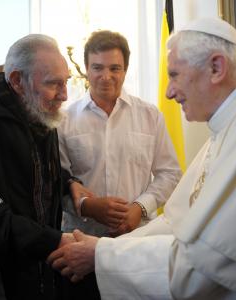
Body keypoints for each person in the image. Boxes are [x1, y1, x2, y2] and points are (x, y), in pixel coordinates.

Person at [48, 18, 236, 299]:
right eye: (97, 67)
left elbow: (204, 267)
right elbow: (176, 221)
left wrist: (102, 252)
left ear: (216, 68)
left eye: (174, 75)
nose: (169, 92)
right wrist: (101, 246)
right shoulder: (230, 128)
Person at [0, 34, 78, 300]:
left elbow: (36, 172)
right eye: (53, 84)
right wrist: (55, 241)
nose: (64, 95)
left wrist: (70, 183)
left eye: (66, 82)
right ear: (16, 81)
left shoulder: (38, 109)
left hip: (41, 270)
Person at [58, 30, 181, 237]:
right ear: (86, 69)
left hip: (138, 237)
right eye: (97, 67)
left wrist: (140, 207)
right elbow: (57, 183)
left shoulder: (150, 116)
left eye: (115, 68)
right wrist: (88, 206)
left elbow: (170, 173)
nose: (106, 77)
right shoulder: (64, 121)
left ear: (125, 70)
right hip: (81, 238)